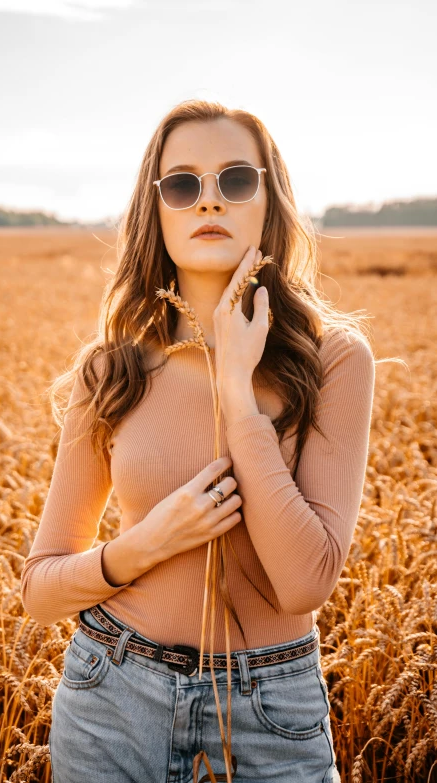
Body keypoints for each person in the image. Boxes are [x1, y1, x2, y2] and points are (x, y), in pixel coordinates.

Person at [21, 99, 375, 783]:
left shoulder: (334, 358)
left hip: (273, 708)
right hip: (112, 692)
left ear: (270, 199)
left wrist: (238, 392)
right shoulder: (112, 368)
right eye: (181, 184)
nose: (208, 199)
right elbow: (40, 588)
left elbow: (305, 581)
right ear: (156, 210)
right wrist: (145, 544)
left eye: (235, 179)